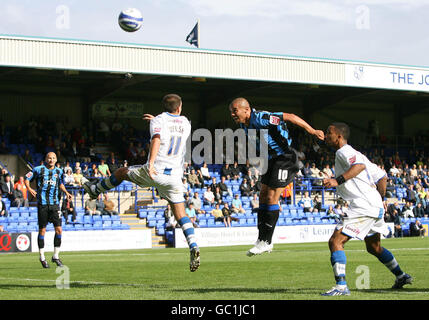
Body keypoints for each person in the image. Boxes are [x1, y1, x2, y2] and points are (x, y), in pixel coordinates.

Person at [82, 94, 200, 272]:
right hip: (175, 176)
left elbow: (157, 139)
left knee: (122, 172)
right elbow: (171, 128)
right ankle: (193, 245)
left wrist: (151, 163)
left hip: (156, 171)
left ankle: (95, 190)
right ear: (180, 107)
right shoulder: (186, 122)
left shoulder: (159, 120)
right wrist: (156, 122)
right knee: (180, 213)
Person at [321, 122, 412, 296]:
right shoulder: (359, 154)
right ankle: (401, 276)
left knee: (335, 241)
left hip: (363, 205)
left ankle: (341, 286)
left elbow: (359, 167)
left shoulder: (344, 151)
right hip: (373, 204)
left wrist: (336, 180)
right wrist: (380, 199)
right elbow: (382, 177)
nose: (327, 136)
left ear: (339, 136)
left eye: (329, 133)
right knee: (374, 247)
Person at [229, 97, 324, 256]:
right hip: (270, 160)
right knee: (263, 197)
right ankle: (262, 240)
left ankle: (266, 241)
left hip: (285, 158)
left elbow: (290, 117)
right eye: (230, 111)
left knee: (272, 197)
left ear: (246, 109)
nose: (232, 114)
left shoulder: (262, 118)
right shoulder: (243, 125)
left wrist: (312, 131)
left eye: (235, 110)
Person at [25, 152, 73, 269]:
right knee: (42, 231)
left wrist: (66, 192)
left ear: (56, 160)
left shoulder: (59, 171)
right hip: (42, 205)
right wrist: (29, 188)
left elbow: (60, 183)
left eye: (53, 158)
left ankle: (55, 256)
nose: (51, 160)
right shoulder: (38, 169)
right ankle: (42, 256)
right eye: (49, 158)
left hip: (55, 205)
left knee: (59, 230)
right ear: (46, 159)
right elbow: (27, 178)